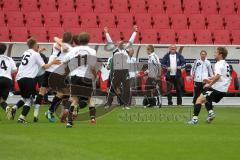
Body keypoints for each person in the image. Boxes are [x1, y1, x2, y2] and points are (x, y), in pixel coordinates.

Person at [14, 38, 60, 123]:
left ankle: (14, 108)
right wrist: (52, 62)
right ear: (34, 45)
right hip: (28, 78)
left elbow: (33, 56)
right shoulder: (36, 54)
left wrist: (39, 51)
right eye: (37, 44)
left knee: (25, 97)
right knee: (30, 100)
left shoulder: (25, 52)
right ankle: (21, 118)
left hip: (19, 78)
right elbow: (45, 66)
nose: (38, 45)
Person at [62, 32, 98, 128]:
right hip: (87, 76)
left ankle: (69, 121)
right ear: (88, 40)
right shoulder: (92, 51)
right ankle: (93, 118)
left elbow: (64, 61)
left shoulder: (73, 50)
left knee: (74, 98)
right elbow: (93, 67)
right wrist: (95, 75)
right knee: (90, 98)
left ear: (78, 40)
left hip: (75, 76)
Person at [188, 47, 231, 124]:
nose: (214, 54)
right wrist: (209, 79)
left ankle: (194, 120)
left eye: (216, 53)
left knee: (199, 99)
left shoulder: (218, 64)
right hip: (223, 90)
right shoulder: (226, 64)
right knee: (206, 99)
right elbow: (221, 77)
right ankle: (211, 113)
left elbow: (218, 76)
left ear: (220, 54)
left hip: (217, 88)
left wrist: (209, 84)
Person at [104, 25, 138, 108]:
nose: (121, 43)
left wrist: (135, 32)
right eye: (119, 42)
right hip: (117, 71)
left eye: (122, 42)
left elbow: (131, 41)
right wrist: (106, 33)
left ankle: (125, 104)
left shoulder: (126, 49)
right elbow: (109, 41)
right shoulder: (114, 50)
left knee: (126, 88)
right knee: (113, 87)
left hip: (125, 71)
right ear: (117, 44)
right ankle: (108, 103)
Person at [0, 43, 17, 119]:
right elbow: (15, 70)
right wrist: (7, 72)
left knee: (1, 100)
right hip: (8, 80)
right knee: (2, 100)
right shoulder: (9, 59)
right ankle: (6, 107)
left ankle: (6, 107)